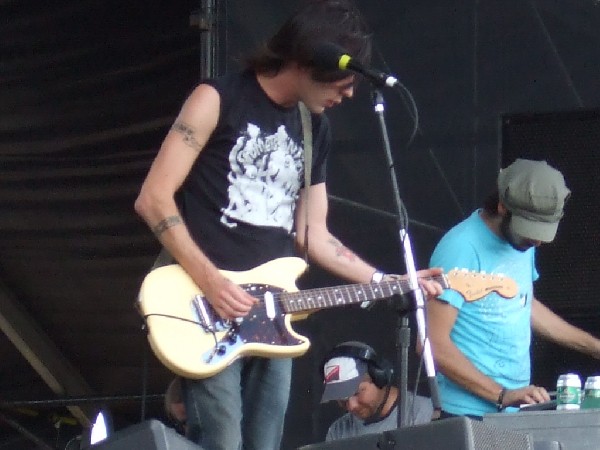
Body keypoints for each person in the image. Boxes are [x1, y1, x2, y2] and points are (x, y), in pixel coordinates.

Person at [134, 1, 443, 448]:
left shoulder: (315, 128)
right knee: (221, 437)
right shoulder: (217, 98)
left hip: (274, 311)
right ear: (307, 60)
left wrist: (390, 280)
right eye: (344, 79)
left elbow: (313, 236)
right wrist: (212, 281)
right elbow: (153, 197)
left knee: (264, 442)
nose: (350, 93)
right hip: (203, 299)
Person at [426, 158, 600, 419]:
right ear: (502, 207)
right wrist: (501, 394)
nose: (537, 242)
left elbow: (521, 303)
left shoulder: (522, 243)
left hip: (511, 412)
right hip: (465, 414)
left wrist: (594, 347)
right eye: (529, 232)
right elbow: (430, 344)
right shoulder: (460, 248)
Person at [320, 341, 433, 441]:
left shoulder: (423, 414)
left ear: (379, 377)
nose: (351, 406)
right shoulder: (338, 431)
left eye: (357, 393)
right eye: (342, 399)